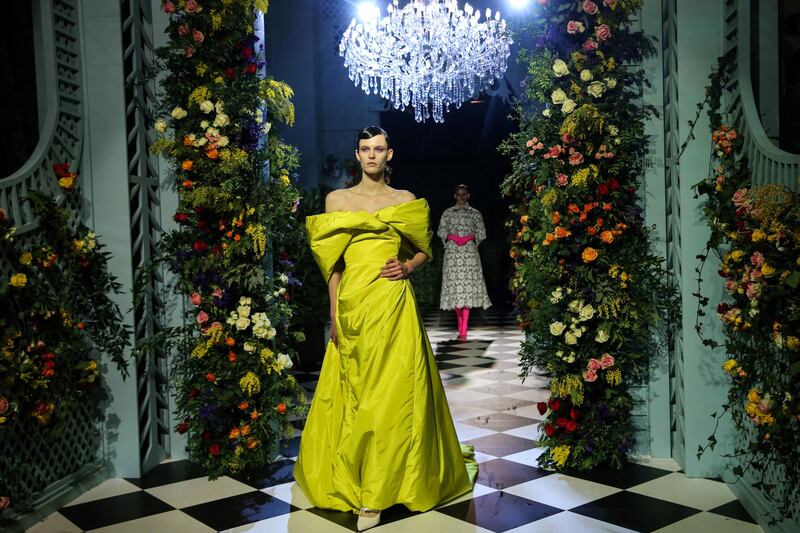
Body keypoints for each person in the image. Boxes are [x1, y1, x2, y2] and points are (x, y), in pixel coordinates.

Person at [294, 127, 477, 531]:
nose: (372, 155)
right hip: (354, 304)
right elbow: (332, 265)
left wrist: (407, 266)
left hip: (394, 304)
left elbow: (425, 250)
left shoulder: (405, 200)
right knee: (357, 394)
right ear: (357, 155)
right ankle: (361, 479)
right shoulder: (337, 200)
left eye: (379, 149)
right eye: (365, 149)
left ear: (389, 154)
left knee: (392, 397)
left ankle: (377, 495)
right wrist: (334, 312)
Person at [437, 184, 492, 339]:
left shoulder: (475, 213)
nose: (461, 197)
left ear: (468, 195)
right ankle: (460, 320)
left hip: (469, 254)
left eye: (464, 194)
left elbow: (482, 232)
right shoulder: (447, 213)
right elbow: (441, 231)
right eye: (458, 194)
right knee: (455, 287)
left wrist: (470, 237)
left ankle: (464, 325)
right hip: (453, 254)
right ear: (455, 196)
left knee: (467, 287)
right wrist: (452, 237)